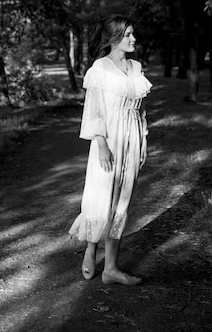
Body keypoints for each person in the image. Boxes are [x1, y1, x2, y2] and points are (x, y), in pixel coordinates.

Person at [69, 15, 152, 285]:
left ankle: (111, 269)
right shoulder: (100, 68)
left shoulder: (136, 67)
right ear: (114, 36)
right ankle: (92, 250)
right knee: (100, 195)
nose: (133, 39)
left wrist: (143, 140)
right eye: (128, 34)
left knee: (122, 201)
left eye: (133, 33)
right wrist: (101, 144)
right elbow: (94, 110)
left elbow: (141, 110)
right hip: (107, 139)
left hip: (132, 138)